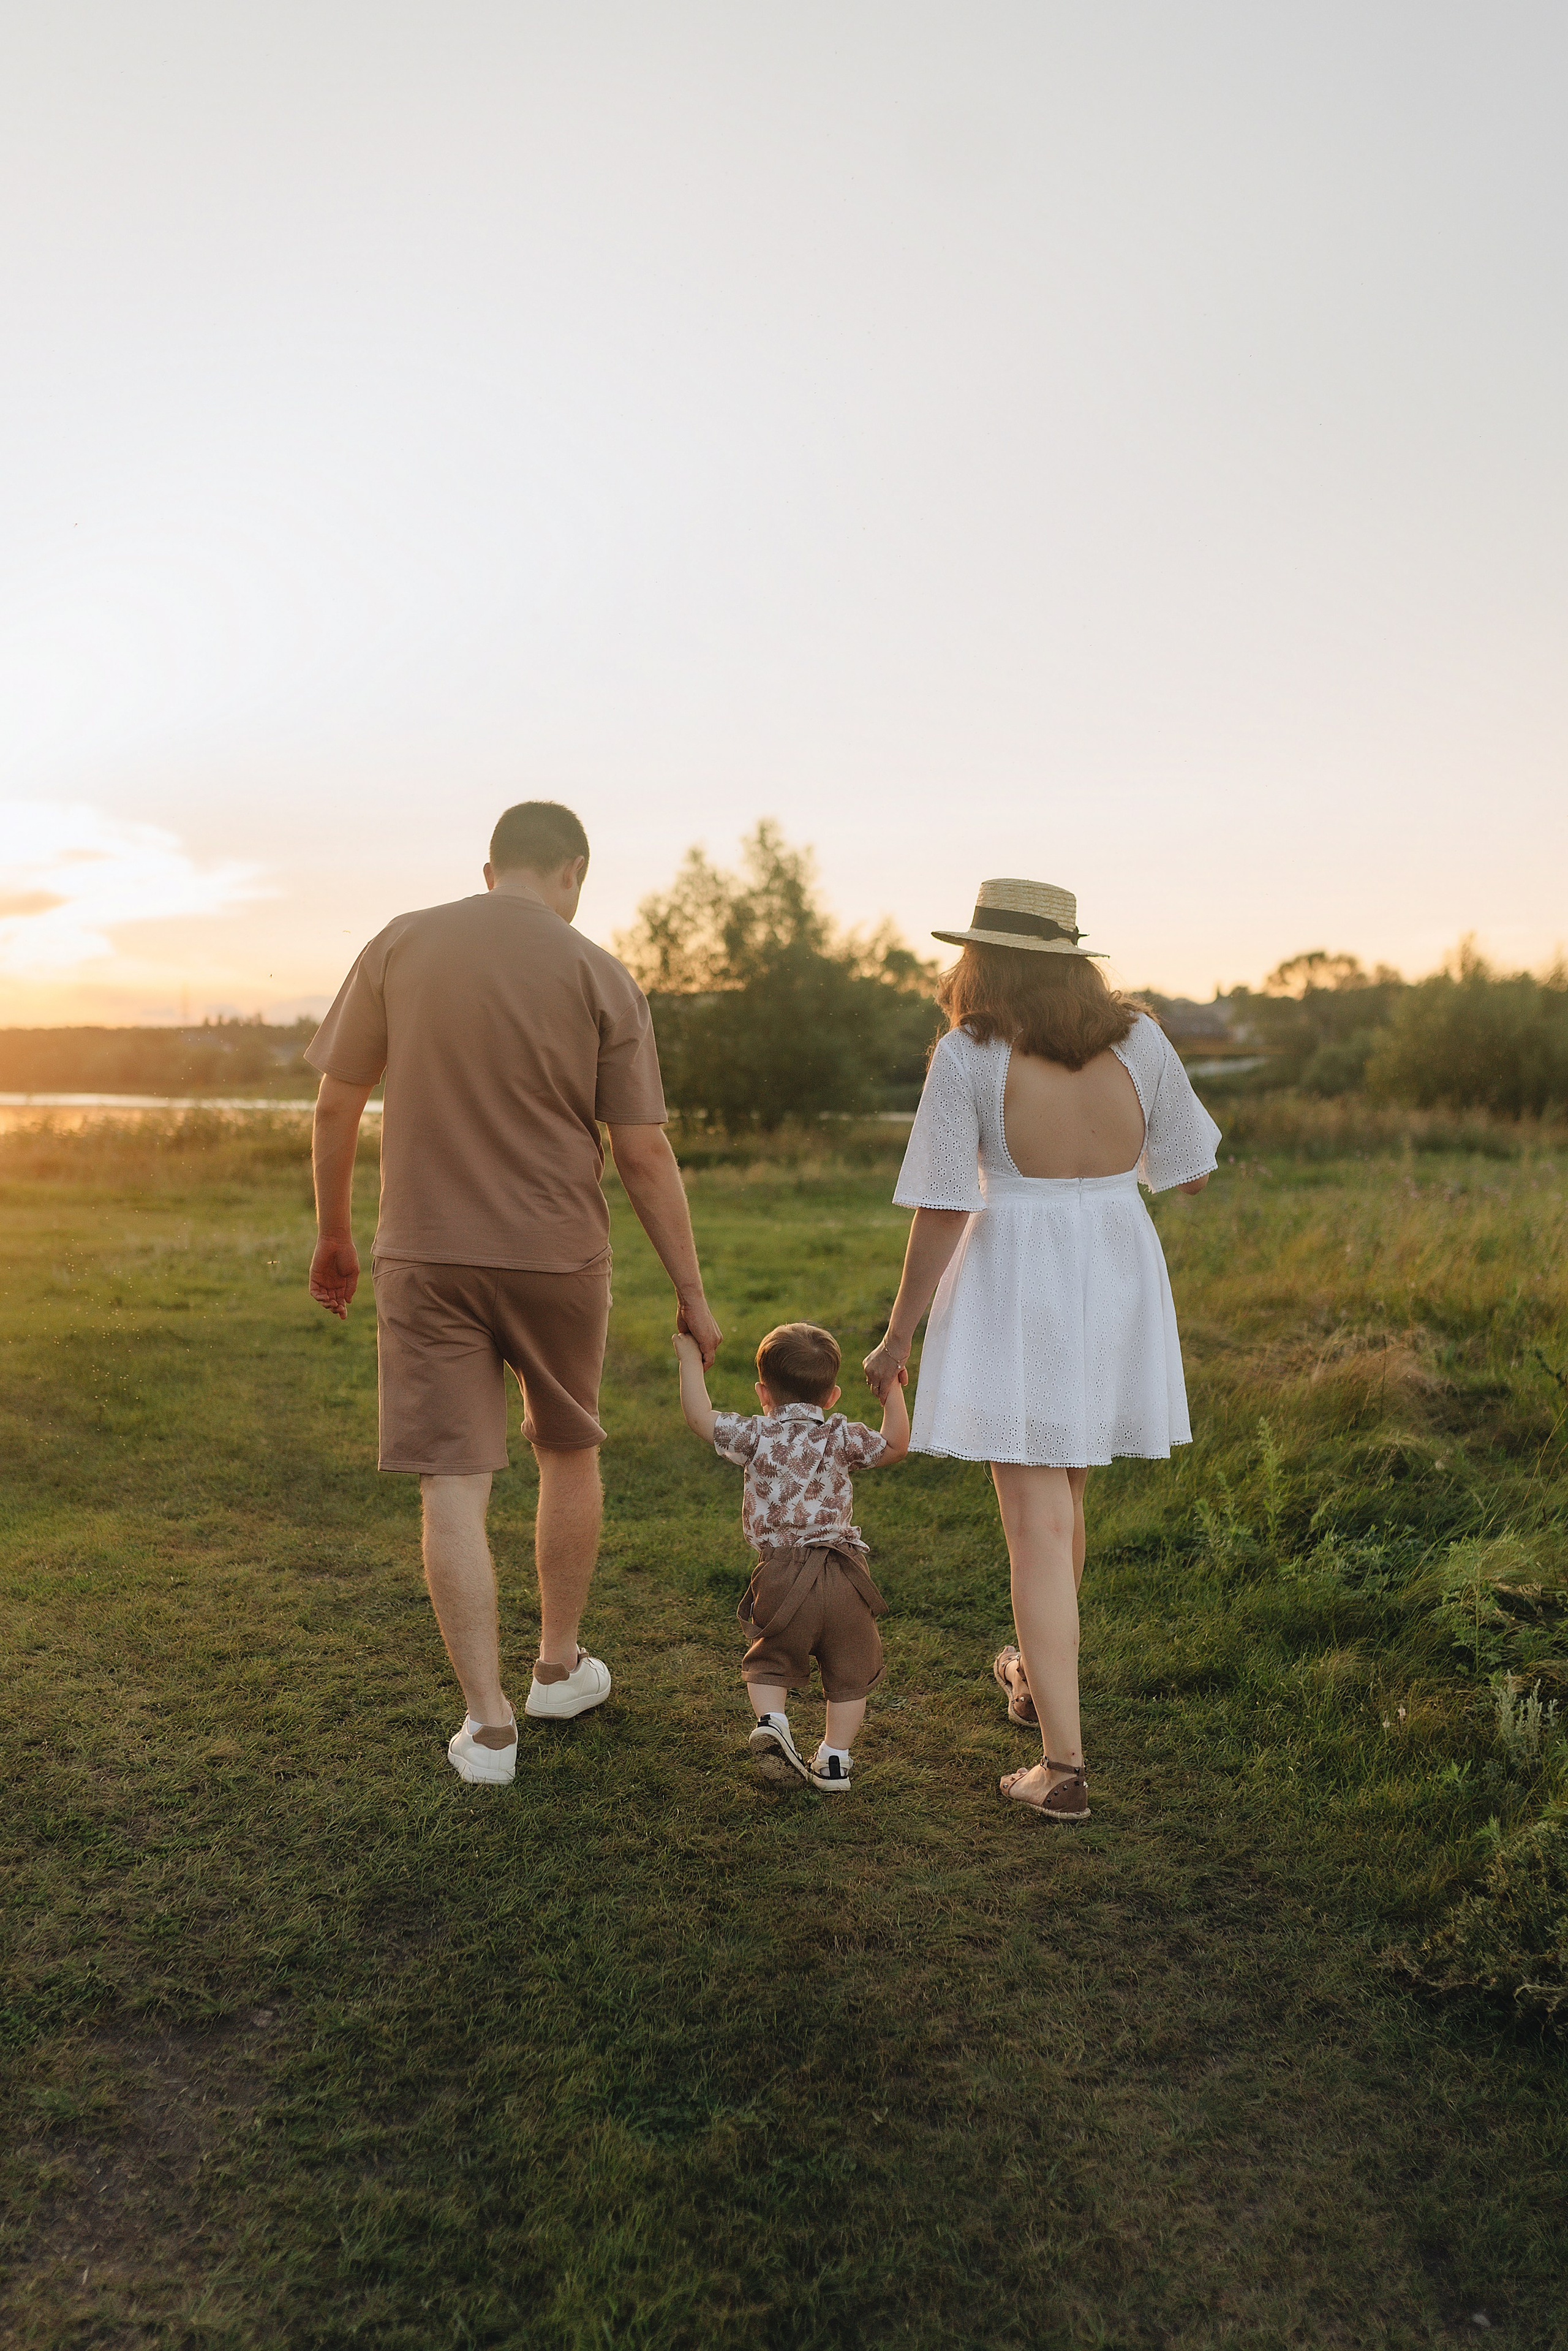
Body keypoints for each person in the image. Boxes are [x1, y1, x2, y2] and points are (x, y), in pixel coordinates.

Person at [305, 799, 723, 1786]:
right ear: (573, 870)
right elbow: (643, 1152)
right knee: (567, 1450)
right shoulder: (600, 973)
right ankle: (556, 1666)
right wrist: (692, 1293)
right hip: (559, 1257)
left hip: (426, 1256)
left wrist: (333, 1235)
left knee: (455, 1482)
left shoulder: (401, 945)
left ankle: (489, 1728)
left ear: (489, 867)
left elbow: (336, 1100)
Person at [862, 878, 1218, 1821]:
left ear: (981, 957)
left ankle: (1062, 1766)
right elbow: (1188, 1172)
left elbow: (946, 1201)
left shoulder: (969, 1053)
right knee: (1063, 1498)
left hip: (1019, 1272)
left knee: (1035, 1524)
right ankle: (1031, 1677)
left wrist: (900, 1333)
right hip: (1114, 1268)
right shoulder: (1140, 1040)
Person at [673, 1319, 910, 1793]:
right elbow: (896, 1445)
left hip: (781, 1573)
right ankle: (835, 1761)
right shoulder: (840, 1436)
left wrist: (687, 1358)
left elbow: (700, 1418)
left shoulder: (756, 1435)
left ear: (764, 1393)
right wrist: (892, 1394)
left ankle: (775, 1721)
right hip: (845, 1573)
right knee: (849, 1670)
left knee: (771, 1658)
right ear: (832, 1396)